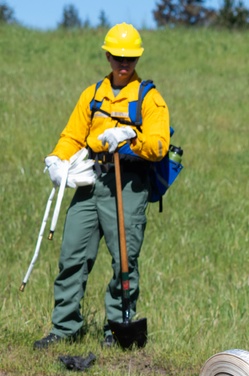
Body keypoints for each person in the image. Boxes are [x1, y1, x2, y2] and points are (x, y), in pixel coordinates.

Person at [34, 23, 170, 350]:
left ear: (137, 58)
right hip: (90, 179)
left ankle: (119, 330)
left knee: (124, 260)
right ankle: (65, 328)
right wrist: (56, 159)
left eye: (131, 58)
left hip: (128, 184)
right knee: (72, 255)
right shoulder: (92, 94)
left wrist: (131, 138)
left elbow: (160, 144)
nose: (124, 63)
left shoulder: (149, 98)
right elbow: (72, 136)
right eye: (118, 57)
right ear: (108, 56)